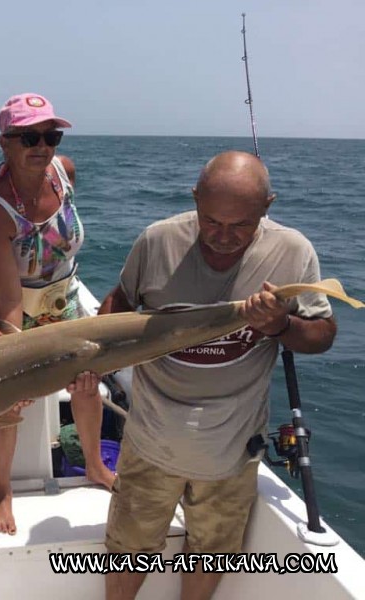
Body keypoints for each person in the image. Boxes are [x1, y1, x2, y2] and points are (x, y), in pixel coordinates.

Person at [100, 150, 336, 600]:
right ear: (195, 199)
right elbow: (118, 305)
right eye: (210, 221)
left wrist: (282, 325)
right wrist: (93, 359)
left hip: (231, 450)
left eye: (241, 225)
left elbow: (323, 333)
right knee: (128, 547)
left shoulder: (291, 252)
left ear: (268, 206)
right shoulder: (158, 241)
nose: (223, 237)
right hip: (150, 438)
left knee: (212, 549)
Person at [0, 93, 116, 535]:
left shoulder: (63, 172)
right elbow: (6, 292)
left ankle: (93, 465)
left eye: (50, 135)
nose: (42, 146)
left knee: (89, 385)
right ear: (4, 142)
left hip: (62, 297)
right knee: (8, 400)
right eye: (29, 137)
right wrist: (17, 352)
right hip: (13, 304)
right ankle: (2, 489)